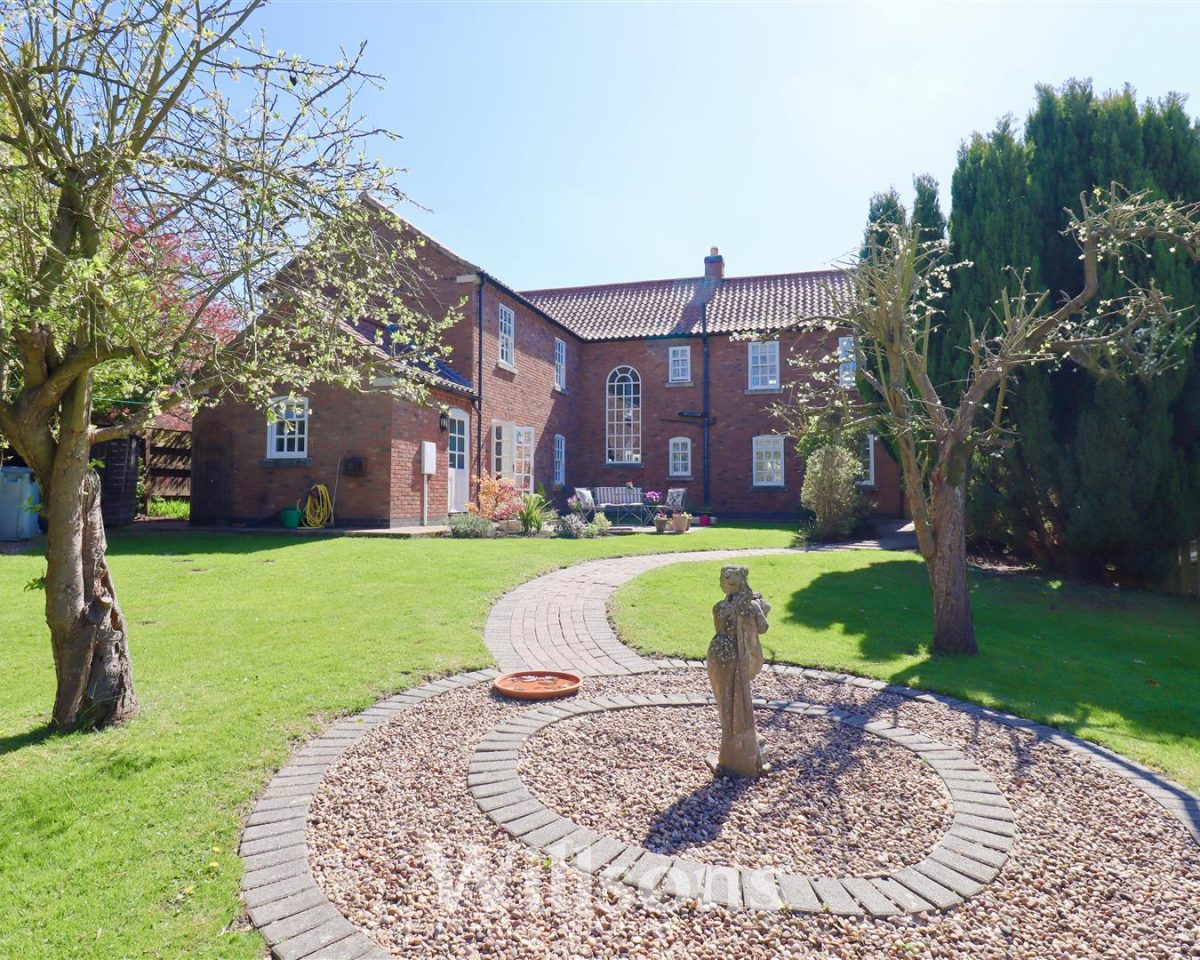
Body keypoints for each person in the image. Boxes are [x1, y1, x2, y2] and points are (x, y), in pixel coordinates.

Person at [706, 564, 771, 777]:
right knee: (739, 701)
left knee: (726, 704)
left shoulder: (719, 607)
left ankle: (733, 751)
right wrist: (762, 607)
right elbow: (762, 627)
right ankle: (741, 752)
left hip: (718, 653)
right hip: (735, 655)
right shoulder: (750, 607)